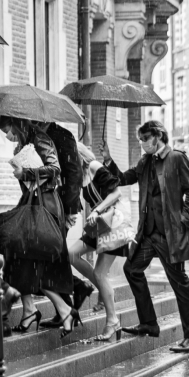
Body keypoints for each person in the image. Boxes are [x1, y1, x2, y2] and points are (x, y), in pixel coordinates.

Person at [102, 121, 189, 353]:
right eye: (140, 139)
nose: (142, 143)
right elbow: (124, 178)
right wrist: (108, 161)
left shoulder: (176, 158)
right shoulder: (145, 162)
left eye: (145, 138)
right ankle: (149, 323)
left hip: (169, 236)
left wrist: (182, 221)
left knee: (180, 284)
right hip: (148, 234)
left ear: (158, 137)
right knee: (132, 269)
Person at [0, 116, 79, 338]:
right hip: (33, 203)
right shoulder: (23, 144)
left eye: (8, 130)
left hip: (47, 206)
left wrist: (26, 173)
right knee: (19, 258)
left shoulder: (41, 139)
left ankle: (48, 311)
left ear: (17, 125)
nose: (7, 136)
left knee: (34, 261)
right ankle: (38, 311)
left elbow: (55, 169)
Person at [32, 122, 95, 328]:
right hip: (47, 204)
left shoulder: (61, 134)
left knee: (52, 255)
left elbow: (73, 172)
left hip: (60, 206)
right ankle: (71, 300)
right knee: (55, 255)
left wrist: (68, 209)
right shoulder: (37, 134)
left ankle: (73, 295)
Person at [68, 142, 126, 341]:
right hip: (98, 225)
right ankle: (101, 287)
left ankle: (112, 322)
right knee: (72, 254)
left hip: (111, 223)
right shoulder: (80, 174)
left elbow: (117, 192)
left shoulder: (93, 166)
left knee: (100, 274)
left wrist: (96, 210)